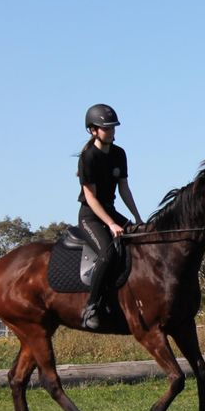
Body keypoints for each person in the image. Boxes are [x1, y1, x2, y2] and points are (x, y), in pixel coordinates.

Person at [77, 103, 143, 329]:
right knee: (107, 254)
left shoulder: (119, 154)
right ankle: (91, 307)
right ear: (93, 130)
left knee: (141, 242)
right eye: (107, 128)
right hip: (91, 216)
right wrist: (111, 224)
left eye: (113, 128)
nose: (112, 132)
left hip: (112, 212)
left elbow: (124, 188)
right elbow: (91, 198)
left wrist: (137, 217)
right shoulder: (88, 157)